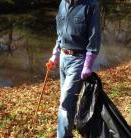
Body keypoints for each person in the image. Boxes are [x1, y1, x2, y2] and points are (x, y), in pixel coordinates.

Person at [46, 0, 101, 137]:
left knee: (65, 100)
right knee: (68, 101)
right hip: (63, 59)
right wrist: (55, 56)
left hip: (79, 60)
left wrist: (88, 65)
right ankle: (68, 129)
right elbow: (60, 34)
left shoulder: (91, 5)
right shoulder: (62, 3)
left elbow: (94, 38)